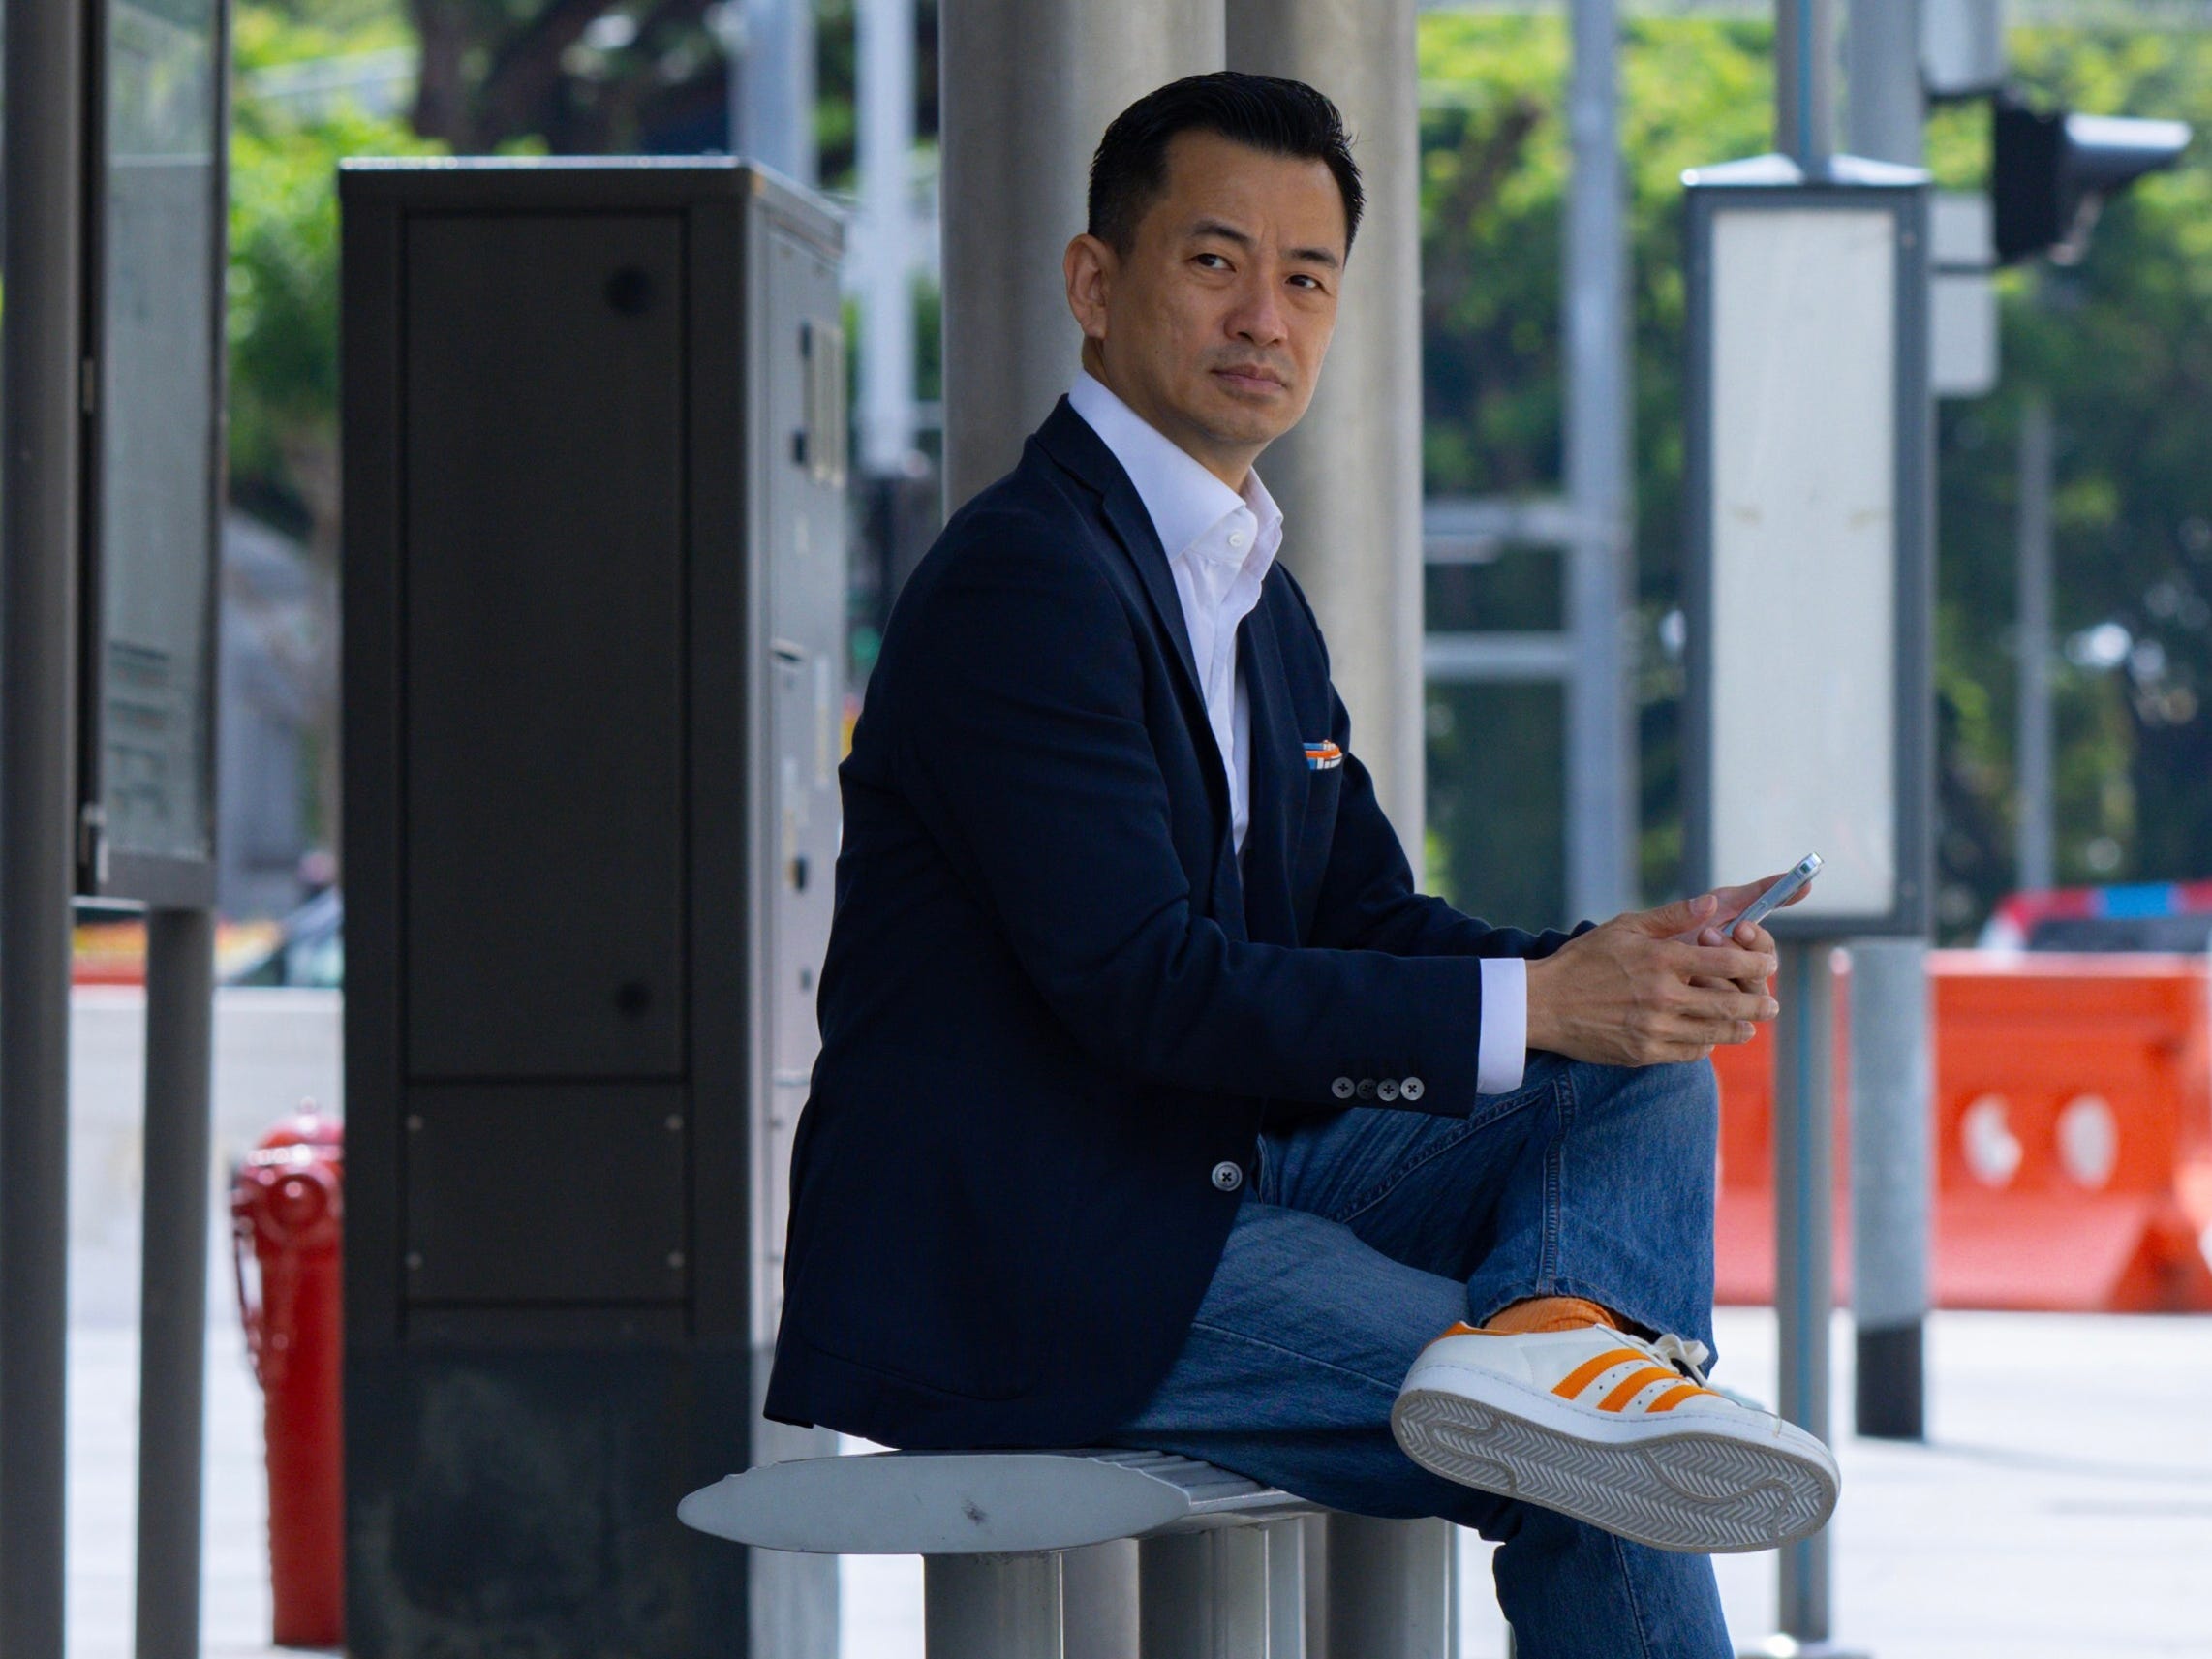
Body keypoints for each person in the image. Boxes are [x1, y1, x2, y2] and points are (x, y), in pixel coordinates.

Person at [764, 71, 1834, 1657]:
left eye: (1308, 275)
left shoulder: (1252, 591)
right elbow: (1148, 988)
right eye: (1213, 261)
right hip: (1047, 1253)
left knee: (1640, 1080)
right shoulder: (1026, 582)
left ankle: (1567, 1348)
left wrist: (1615, 972)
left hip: (1218, 1183)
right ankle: (1572, 1380)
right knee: (1584, 1454)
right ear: (1095, 285)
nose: (1265, 312)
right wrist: (1543, 997)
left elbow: (1366, 920)